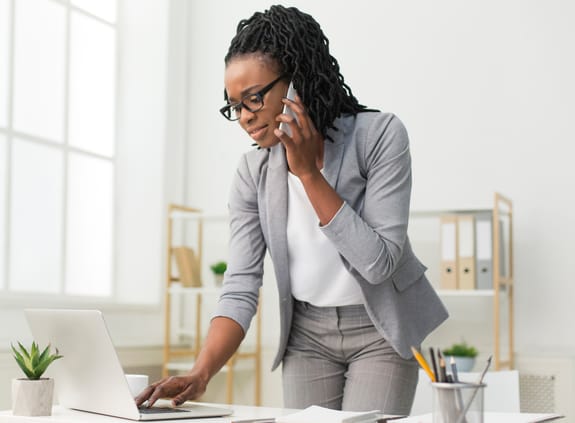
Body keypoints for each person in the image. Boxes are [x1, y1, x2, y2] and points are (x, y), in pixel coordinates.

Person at [137, 4, 448, 414]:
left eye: (253, 99)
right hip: (307, 336)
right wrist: (201, 372)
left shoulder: (380, 136)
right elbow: (241, 285)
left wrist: (307, 174)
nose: (245, 119)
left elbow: (379, 263)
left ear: (297, 81)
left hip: (380, 329)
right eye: (235, 106)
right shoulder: (253, 172)